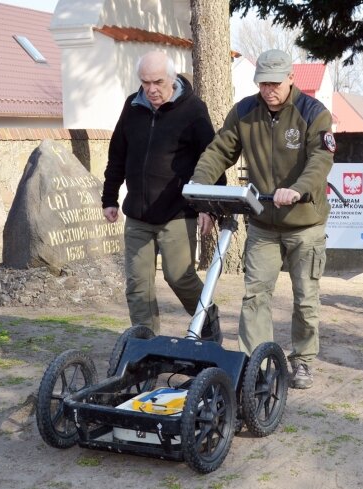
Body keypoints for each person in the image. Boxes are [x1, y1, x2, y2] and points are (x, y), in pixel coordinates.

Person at [190, 49, 335, 389]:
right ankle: (255, 364)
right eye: (262, 83)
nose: (268, 90)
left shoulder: (314, 113)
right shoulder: (244, 113)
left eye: (274, 83)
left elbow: (320, 161)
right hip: (263, 225)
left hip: (305, 225)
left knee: (305, 297)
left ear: (291, 79)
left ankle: (302, 361)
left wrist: (297, 189)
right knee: (255, 295)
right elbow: (218, 151)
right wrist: (199, 187)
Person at [101, 51, 224, 339]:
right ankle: (144, 344)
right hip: (138, 215)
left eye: (157, 81)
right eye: (145, 82)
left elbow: (213, 158)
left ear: (171, 78)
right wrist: (109, 197)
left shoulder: (193, 109)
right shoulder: (132, 107)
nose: (151, 89)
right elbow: (117, 154)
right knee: (137, 284)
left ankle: (207, 320)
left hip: (177, 212)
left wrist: (210, 206)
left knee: (178, 276)